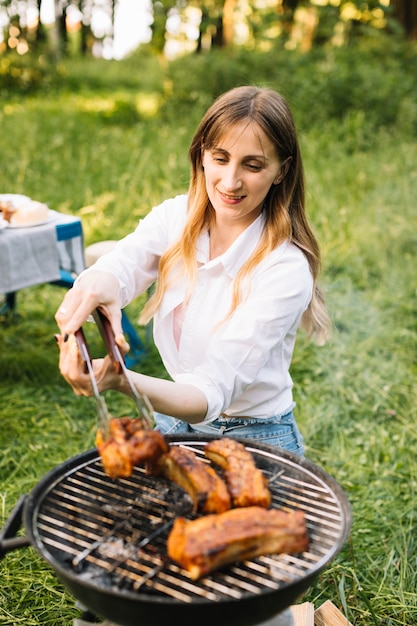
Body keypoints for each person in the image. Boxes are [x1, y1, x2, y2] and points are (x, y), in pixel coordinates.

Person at [55, 85, 331, 457]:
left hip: (256, 437)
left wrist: (119, 380)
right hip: (173, 421)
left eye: (252, 165)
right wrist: (92, 293)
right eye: (220, 158)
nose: (230, 182)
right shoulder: (176, 217)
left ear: (281, 170)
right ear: (201, 154)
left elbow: (210, 393)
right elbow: (120, 266)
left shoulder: (285, 269)